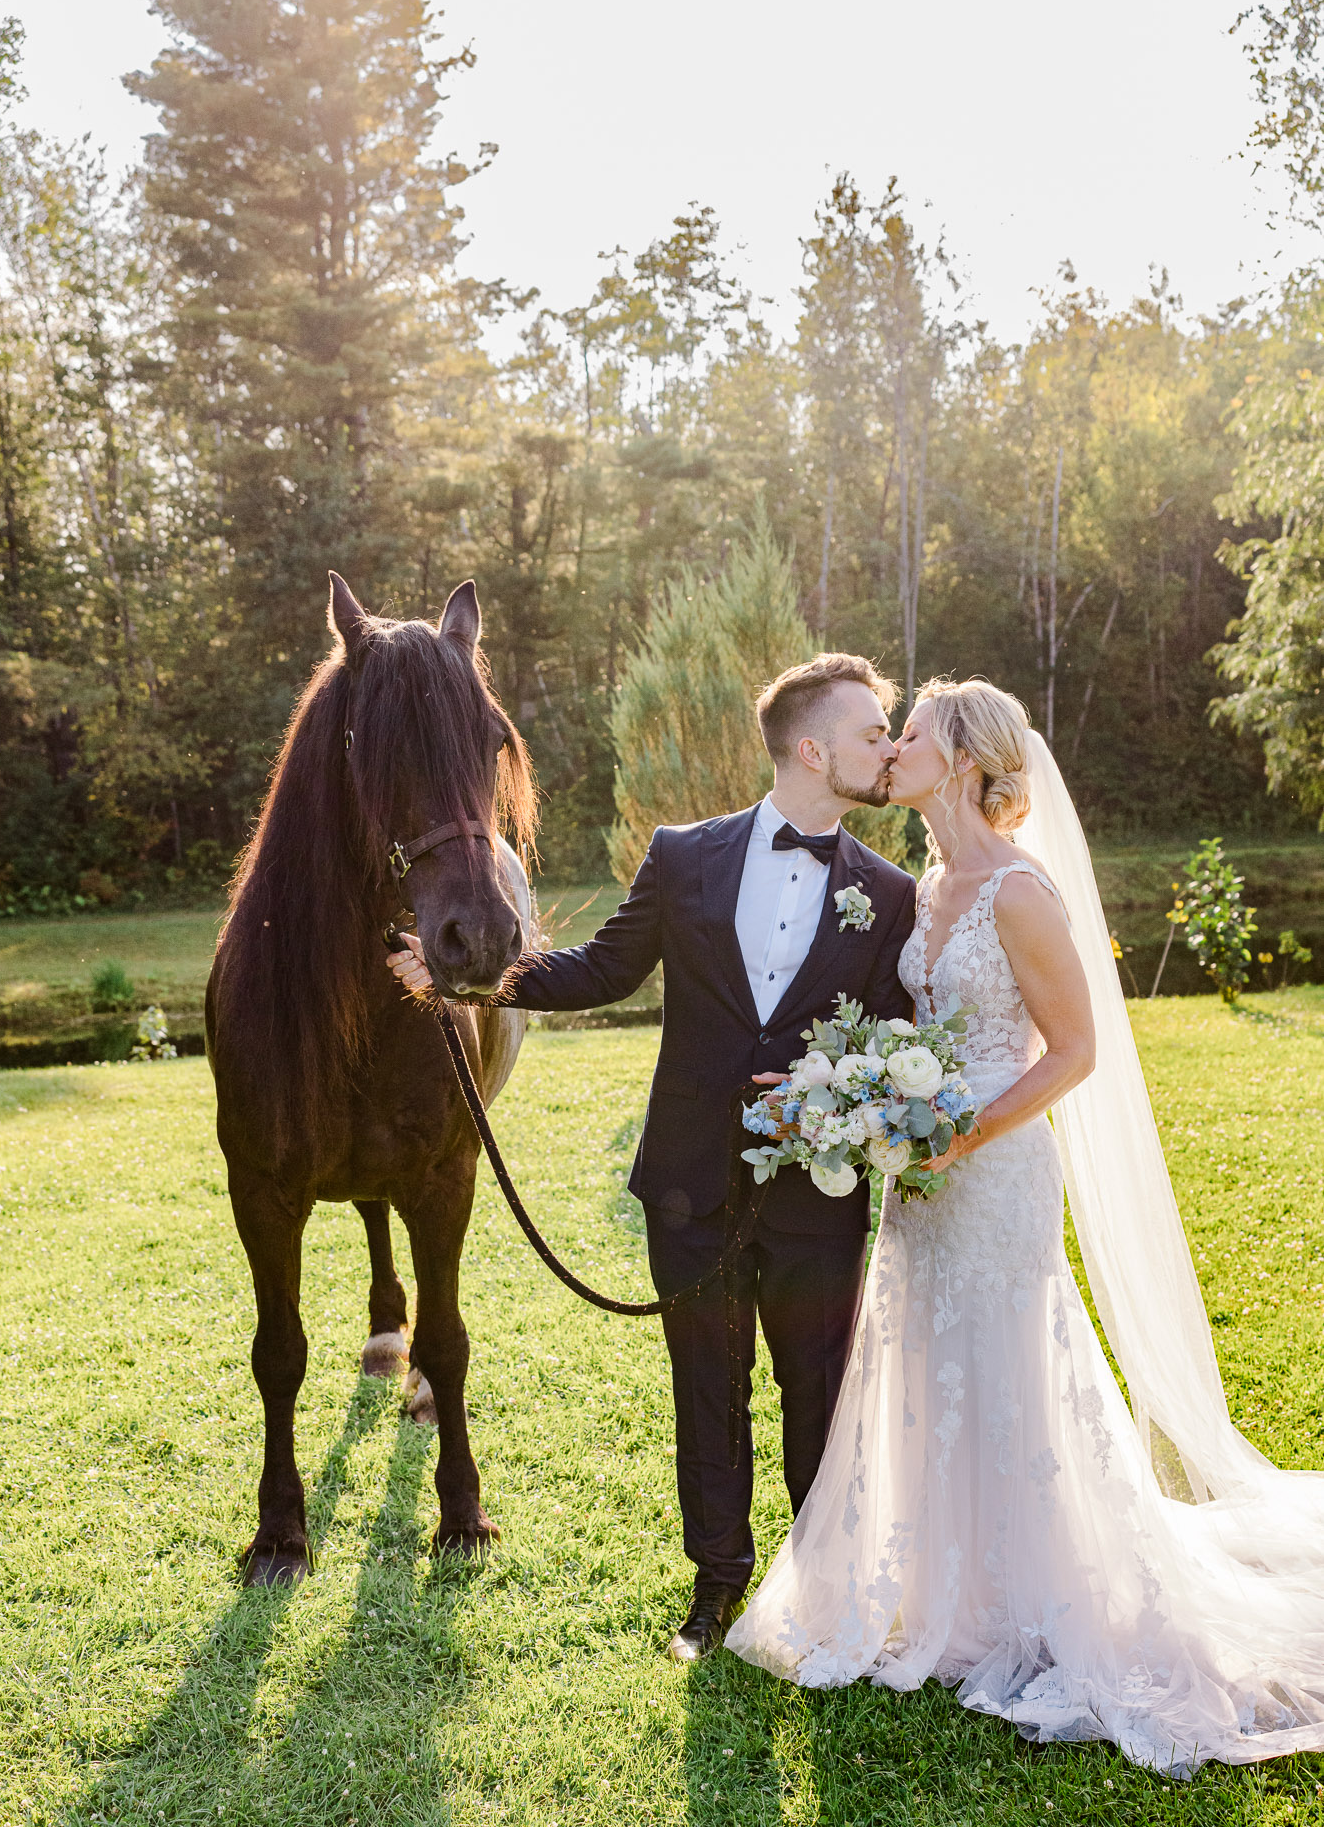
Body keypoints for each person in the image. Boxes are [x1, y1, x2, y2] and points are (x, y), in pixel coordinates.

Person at [726, 678, 1324, 1774]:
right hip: (921, 1172)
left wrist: (964, 1132)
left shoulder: (1017, 890)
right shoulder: (927, 885)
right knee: (923, 1357)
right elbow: (903, 1022)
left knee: (1005, 1364)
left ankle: (1033, 1591)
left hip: (993, 1169)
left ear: (961, 760)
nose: (890, 746)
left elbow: (1075, 1049)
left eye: (909, 734)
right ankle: (940, 1584)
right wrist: (842, 1093)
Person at [387, 653, 916, 1662]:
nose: (884, 748)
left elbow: (893, 1040)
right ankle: (716, 1587)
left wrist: (835, 1102)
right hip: (689, 1185)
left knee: (819, 1395)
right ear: (812, 748)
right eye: (869, 731)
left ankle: (821, 1591)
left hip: (820, 1193)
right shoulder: (686, 855)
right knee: (705, 1392)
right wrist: (474, 979)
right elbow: (602, 968)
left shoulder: (887, 894)